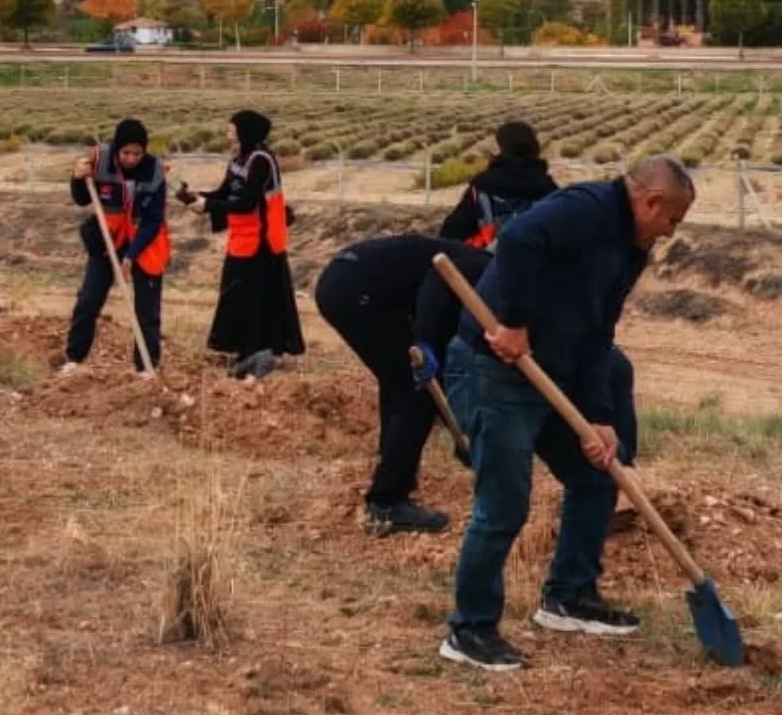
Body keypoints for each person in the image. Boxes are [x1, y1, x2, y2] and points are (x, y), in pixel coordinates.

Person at [440, 155, 695, 672]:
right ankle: (469, 629)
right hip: (492, 371)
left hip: (551, 375)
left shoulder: (631, 250)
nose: (670, 233)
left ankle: (568, 597)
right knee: (505, 503)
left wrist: (600, 416)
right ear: (650, 202)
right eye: (672, 220)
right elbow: (515, 241)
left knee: (598, 474)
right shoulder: (587, 208)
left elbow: (599, 335)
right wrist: (513, 320)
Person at [315, 236, 490, 535]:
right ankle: (387, 501)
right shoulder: (487, 269)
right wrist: (422, 338)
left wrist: (458, 427)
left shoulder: (484, 286)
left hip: (345, 281)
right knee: (415, 392)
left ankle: (392, 473)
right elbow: (437, 278)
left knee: (400, 382)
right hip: (357, 287)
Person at [184, 109, 304, 378]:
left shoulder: (261, 160)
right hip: (242, 238)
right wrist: (195, 197)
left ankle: (256, 351)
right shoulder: (239, 159)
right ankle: (243, 349)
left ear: (245, 131)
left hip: (261, 242)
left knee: (253, 298)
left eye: (233, 127)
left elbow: (247, 202)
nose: (228, 131)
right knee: (237, 294)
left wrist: (208, 207)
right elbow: (226, 192)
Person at [60, 118, 169, 376]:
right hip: (107, 242)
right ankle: (74, 357)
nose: (131, 158)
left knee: (147, 308)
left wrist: (132, 255)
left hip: (144, 243)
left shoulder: (155, 171)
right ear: (117, 149)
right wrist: (77, 178)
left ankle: (146, 367)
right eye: (126, 153)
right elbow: (81, 198)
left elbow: (154, 220)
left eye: (137, 153)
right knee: (88, 300)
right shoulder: (100, 160)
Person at [438, 120, 558, 249]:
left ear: (501, 146)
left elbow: (454, 230)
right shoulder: (548, 188)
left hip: (490, 263)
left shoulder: (482, 185)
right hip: (538, 262)